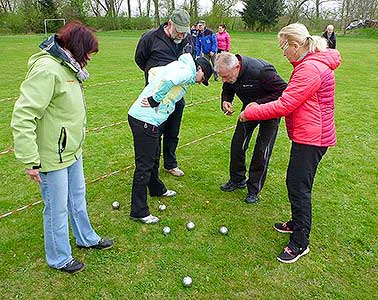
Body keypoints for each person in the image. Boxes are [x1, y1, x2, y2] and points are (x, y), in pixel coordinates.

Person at [11, 21, 113, 274]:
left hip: (71, 151)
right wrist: (29, 159)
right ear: (77, 47)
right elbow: (24, 115)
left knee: (77, 198)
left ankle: (85, 237)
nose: (90, 57)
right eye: (88, 51)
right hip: (51, 156)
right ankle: (59, 257)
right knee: (56, 208)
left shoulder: (69, 67)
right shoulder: (48, 69)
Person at [239, 23, 341, 263]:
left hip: (313, 138)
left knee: (298, 187)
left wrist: (251, 111)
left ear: (296, 46)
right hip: (308, 134)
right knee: (295, 182)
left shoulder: (310, 69)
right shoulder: (308, 64)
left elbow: (285, 104)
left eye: (284, 47)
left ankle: (300, 242)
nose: (283, 53)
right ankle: (296, 224)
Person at [128, 54, 213, 224]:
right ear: (200, 69)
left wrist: (157, 97)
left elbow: (154, 72)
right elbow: (167, 81)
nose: (198, 82)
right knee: (144, 165)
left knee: (153, 156)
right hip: (145, 120)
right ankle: (139, 211)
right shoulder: (187, 72)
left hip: (146, 119)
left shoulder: (179, 65)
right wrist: (154, 99)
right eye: (202, 78)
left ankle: (156, 188)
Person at [215, 52, 287, 204]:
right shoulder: (230, 72)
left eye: (226, 76)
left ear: (237, 67)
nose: (224, 80)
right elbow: (228, 86)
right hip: (247, 111)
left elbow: (283, 90)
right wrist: (226, 100)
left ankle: (253, 189)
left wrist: (259, 103)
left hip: (270, 111)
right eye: (222, 77)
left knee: (262, 150)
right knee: (237, 144)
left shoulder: (262, 71)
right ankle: (237, 180)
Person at [135, 9, 194, 177]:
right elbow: (140, 59)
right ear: (170, 24)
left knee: (173, 131)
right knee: (155, 131)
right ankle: (152, 167)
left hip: (176, 95)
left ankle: (170, 163)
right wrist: (156, 77)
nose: (182, 35)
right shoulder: (150, 38)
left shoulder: (187, 38)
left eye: (185, 32)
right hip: (156, 95)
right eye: (179, 31)